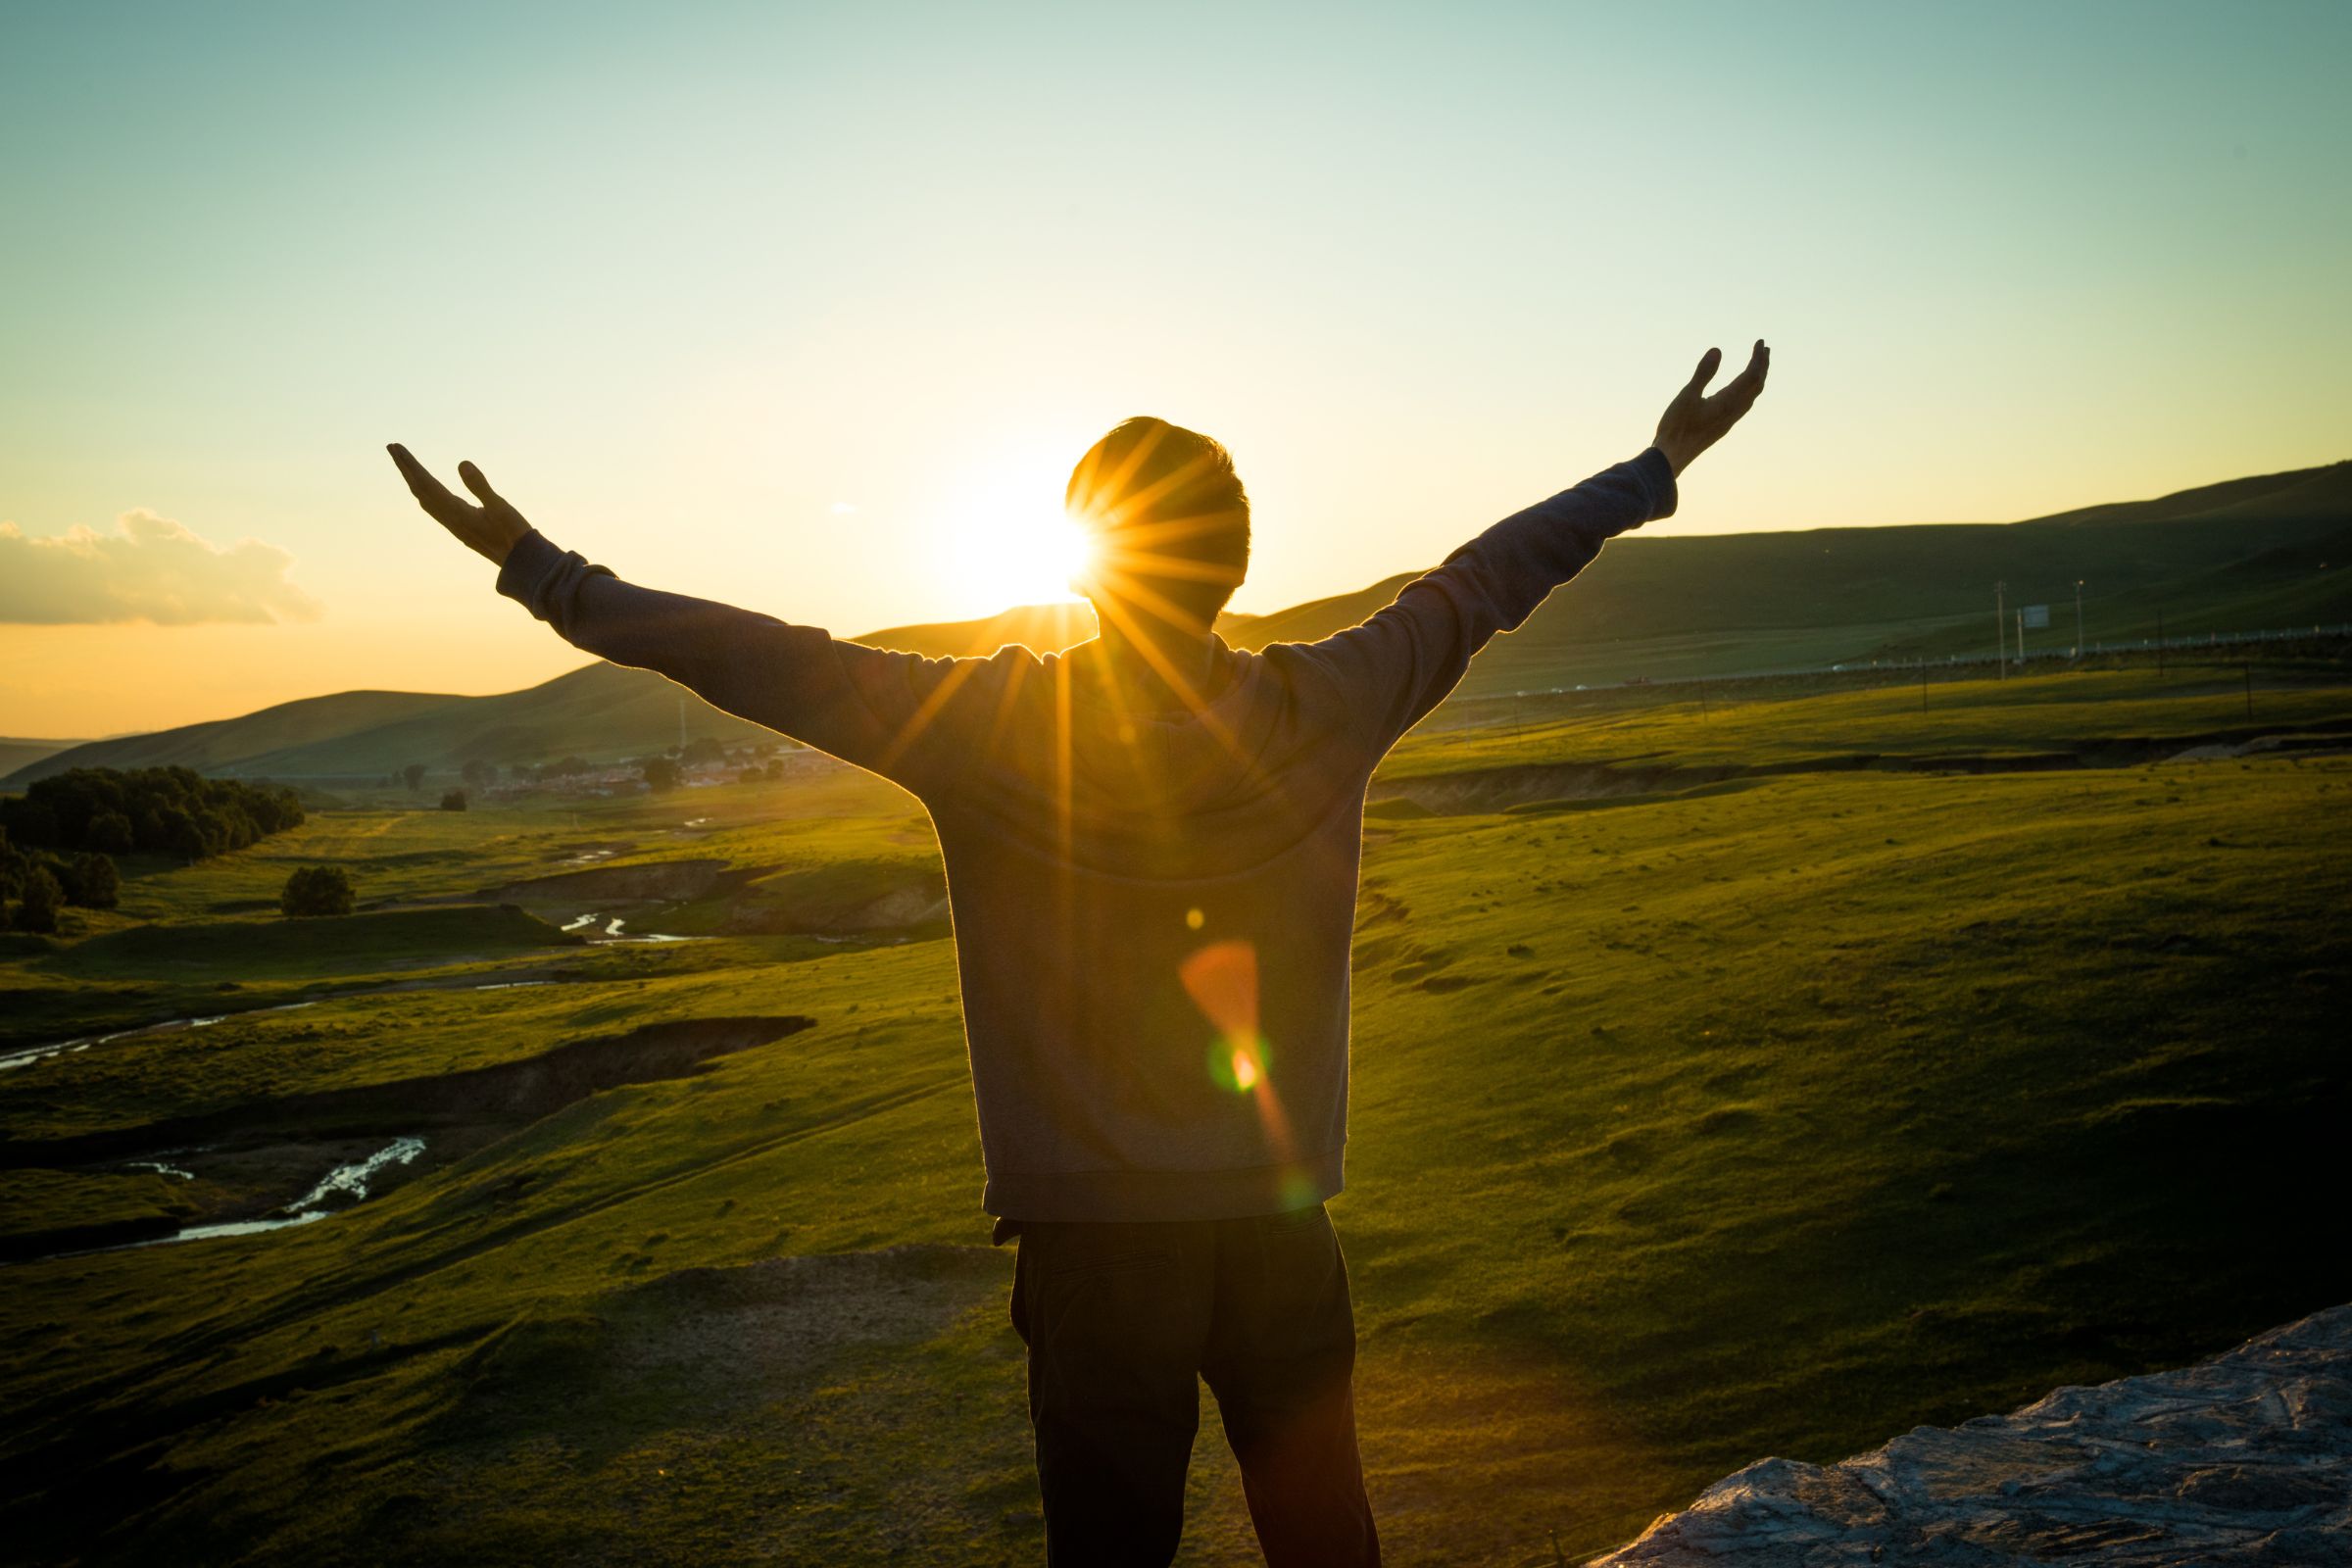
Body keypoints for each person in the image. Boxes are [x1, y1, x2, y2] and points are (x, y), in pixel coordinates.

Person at [389, 340, 1769, 1566]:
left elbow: (764, 660)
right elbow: (1482, 585)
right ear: (1234, 566)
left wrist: (543, 571)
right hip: (1283, 1226)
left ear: (1083, 568)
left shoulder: (996, 730)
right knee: (1327, 1538)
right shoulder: (1332, 701)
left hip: (1099, 1245)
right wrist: (1652, 466)